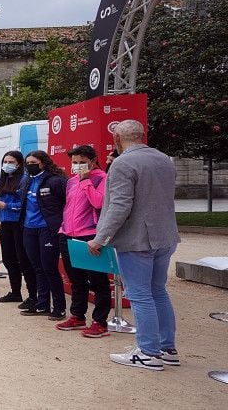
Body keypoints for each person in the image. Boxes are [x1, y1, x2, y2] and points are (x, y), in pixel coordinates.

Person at [89, 120, 181, 371]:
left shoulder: (122, 163)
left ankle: (148, 352)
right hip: (165, 235)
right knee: (158, 291)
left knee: (140, 295)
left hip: (137, 239)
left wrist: (100, 238)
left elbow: (120, 206)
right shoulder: (164, 159)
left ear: (117, 139)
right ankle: (166, 347)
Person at [56, 145, 112, 338]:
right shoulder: (71, 181)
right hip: (68, 234)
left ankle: (100, 321)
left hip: (89, 235)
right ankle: (78, 316)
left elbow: (99, 203)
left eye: (82, 162)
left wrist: (87, 181)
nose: (78, 166)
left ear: (93, 160)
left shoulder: (101, 178)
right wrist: (63, 229)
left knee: (98, 280)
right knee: (76, 279)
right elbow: (68, 206)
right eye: (74, 162)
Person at [18, 150, 68, 320]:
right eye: (28, 162)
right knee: (37, 268)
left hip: (47, 229)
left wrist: (59, 224)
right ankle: (42, 304)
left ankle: (59, 307)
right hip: (28, 228)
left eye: (33, 162)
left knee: (49, 268)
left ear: (43, 162)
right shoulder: (26, 180)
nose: (30, 165)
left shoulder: (55, 180)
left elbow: (67, 203)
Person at [0, 151, 35, 307]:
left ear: (19, 164)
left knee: (23, 260)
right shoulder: (3, 179)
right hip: (6, 224)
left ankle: (32, 295)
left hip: (19, 223)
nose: (7, 164)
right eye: (5, 161)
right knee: (8, 259)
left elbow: (23, 204)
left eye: (11, 162)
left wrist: (7, 206)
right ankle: (15, 292)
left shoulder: (23, 180)